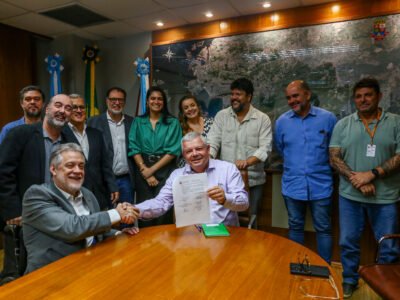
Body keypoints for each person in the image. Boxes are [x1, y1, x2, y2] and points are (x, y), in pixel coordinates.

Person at [329, 77, 400, 298]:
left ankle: (386, 285)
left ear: (379, 97)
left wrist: (372, 174)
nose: (363, 100)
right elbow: (334, 156)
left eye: (368, 95)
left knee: (388, 245)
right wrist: (356, 180)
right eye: (358, 96)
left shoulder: (395, 122)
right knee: (347, 241)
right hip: (350, 195)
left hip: (386, 196)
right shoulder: (343, 124)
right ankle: (349, 279)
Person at [22, 143, 139, 273]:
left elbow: (95, 231)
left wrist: (119, 233)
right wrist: (116, 214)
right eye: (70, 165)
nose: (77, 171)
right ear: (53, 170)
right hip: (51, 276)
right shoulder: (37, 195)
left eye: (81, 166)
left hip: (88, 267)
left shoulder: (87, 194)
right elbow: (72, 228)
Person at [0, 94, 72, 282]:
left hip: (56, 215)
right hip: (22, 217)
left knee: (45, 269)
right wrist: (12, 211)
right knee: (15, 273)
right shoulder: (20, 134)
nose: (62, 111)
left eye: (68, 108)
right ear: (47, 108)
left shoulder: (69, 140)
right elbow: (3, 173)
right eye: (58, 105)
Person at [274, 80, 337, 263]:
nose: (292, 101)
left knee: (324, 228)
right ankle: (298, 265)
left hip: (321, 185)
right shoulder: (281, 122)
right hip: (293, 185)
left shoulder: (328, 119)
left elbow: (335, 149)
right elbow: (280, 148)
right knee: (295, 226)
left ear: (308, 95)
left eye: (296, 96)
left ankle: (326, 269)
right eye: (288, 98)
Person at [135, 132, 249, 226]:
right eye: (188, 151)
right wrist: (134, 209)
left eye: (199, 149)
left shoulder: (228, 169)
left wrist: (225, 198)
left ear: (208, 149)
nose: (194, 154)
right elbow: (161, 203)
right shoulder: (177, 176)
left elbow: (244, 203)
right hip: (190, 235)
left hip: (225, 232)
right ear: (184, 155)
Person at [207, 78, 272, 222]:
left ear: (249, 97)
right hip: (224, 181)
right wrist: (207, 158)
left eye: (239, 94)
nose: (234, 98)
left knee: (251, 220)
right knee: (224, 219)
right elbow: (212, 141)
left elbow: (265, 149)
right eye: (232, 94)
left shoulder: (262, 119)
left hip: (253, 181)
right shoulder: (222, 116)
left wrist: (247, 162)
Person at [129, 86, 182, 226]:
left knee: (164, 211)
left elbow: (172, 151)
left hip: (165, 168)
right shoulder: (138, 122)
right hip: (142, 166)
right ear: (147, 102)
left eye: (160, 99)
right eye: (153, 98)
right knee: (144, 211)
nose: (156, 101)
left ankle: (164, 246)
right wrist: (144, 170)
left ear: (164, 102)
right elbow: (134, 148)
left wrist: (150, 171)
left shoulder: (173, 122)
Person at [63, 94, 119, 210]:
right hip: (73, 193)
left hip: (98, 192)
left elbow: (105, 164)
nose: (79, 111)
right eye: (74, 107)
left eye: (82, 107)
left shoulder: (96, 133)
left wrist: (112, 186)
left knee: (102, 226)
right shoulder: (61, 134)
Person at [87, 87, 135, 205]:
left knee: (127, 216)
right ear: (107, 100)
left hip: (126, 179)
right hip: (102, 179)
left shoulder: (132, 122)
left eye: (120, 100)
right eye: (113, 99)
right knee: (106, 216)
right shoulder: (93, 123)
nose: (117, 103)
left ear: (124, 102)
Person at [178, 95, 214, 167]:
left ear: (198, 106)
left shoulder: (211, 122)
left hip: (211, 164)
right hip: (189, 167)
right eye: (186, 108)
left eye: (192, 105)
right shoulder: (180, 128)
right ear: (183, 112)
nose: (190, 109)